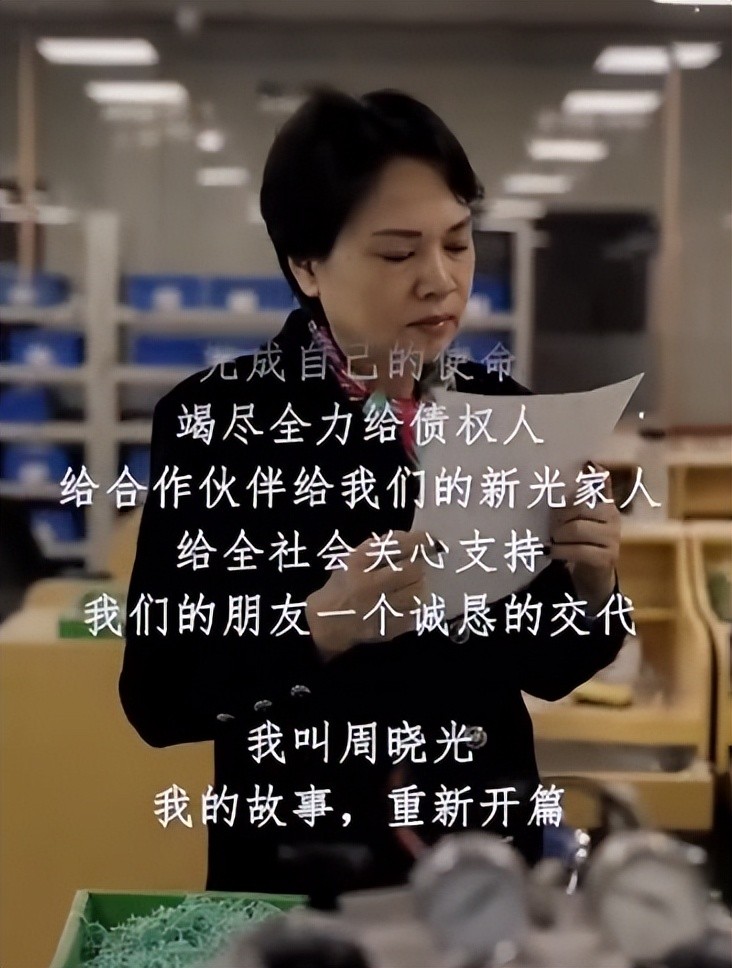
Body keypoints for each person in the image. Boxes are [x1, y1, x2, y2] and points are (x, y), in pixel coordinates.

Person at [119, 85, 626, 895]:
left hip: (480, 872)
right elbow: (159, 698)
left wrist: (593, 586)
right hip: (301, 872)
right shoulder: (216, 423)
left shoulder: (507, 413)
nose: (441, 280)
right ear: (306, 264)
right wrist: (315, 630)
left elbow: (547, 667)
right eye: (398, 254)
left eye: (458, 244)